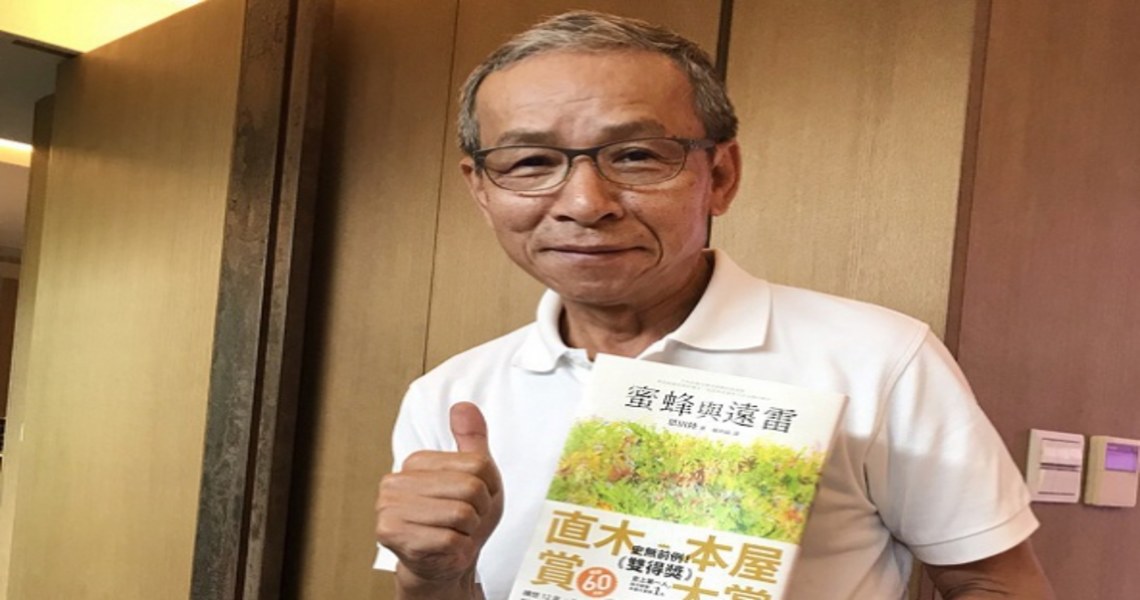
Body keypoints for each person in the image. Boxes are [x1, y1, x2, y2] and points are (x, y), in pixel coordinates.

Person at [373, 11, 1054, 600]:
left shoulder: (880, 359)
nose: (584, 203)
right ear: (481, 188)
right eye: (529, 162)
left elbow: (996, 583)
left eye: (636, 155)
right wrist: (433, 576)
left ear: (720, 176)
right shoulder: (452, 396)